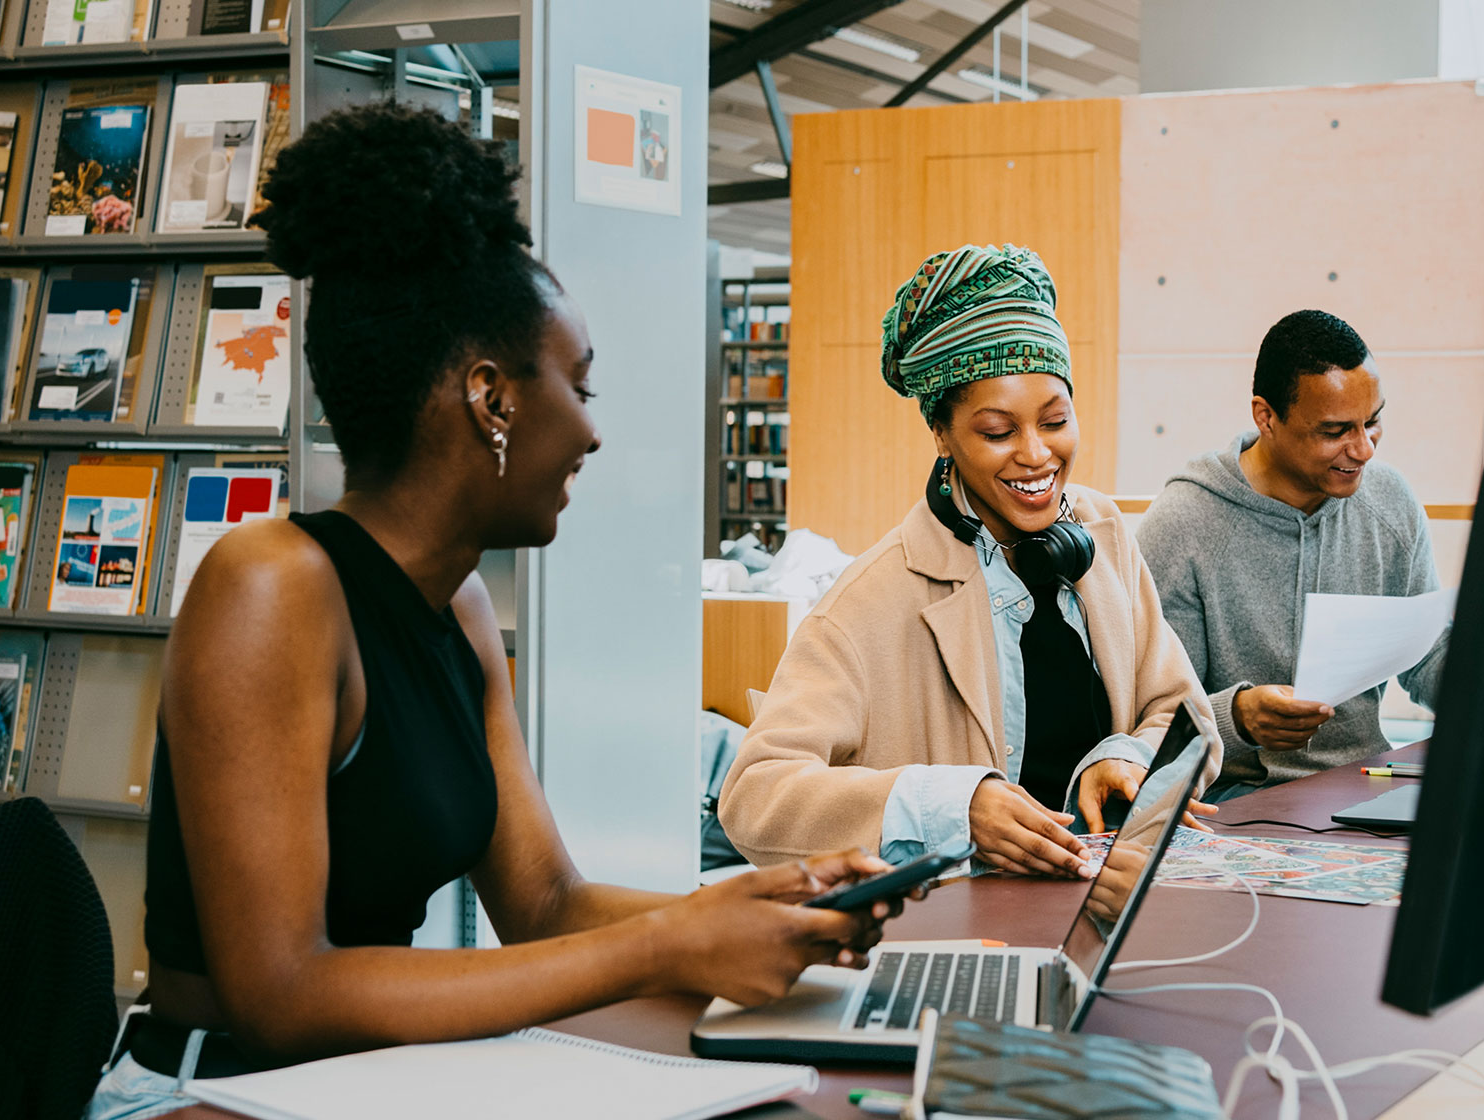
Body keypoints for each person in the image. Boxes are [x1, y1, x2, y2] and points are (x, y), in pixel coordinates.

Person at [88, 103, 899, 1120]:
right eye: (578, 384)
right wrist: (666, 942)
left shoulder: (460, 607)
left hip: (363, 1086)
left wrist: (758, 907)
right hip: (209, 1095)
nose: (592, 434)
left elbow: (544, 904)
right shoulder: (270, 586)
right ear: (491, 397)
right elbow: (282, 993)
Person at [719, 244, 1213, 875]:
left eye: (1056, 421)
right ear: (942, 435)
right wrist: (953, 808)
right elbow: (754, 798)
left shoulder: (1103, 533)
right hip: (958, 930)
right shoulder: (870, 599)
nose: (1037, 455)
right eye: (999, 432)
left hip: (1101, 900)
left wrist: (1128, 756)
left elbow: (1183, 711)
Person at [1137, 310, 1444, 798]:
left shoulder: (1390, 501)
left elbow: (1428, 654)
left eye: (1373, 421)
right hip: (1241, 798)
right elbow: (1153, 720)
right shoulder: (1183, 526)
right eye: (1334, 430)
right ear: (1266, 417)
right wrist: (1237, 719)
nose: (1364, 449)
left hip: (1367, 783)